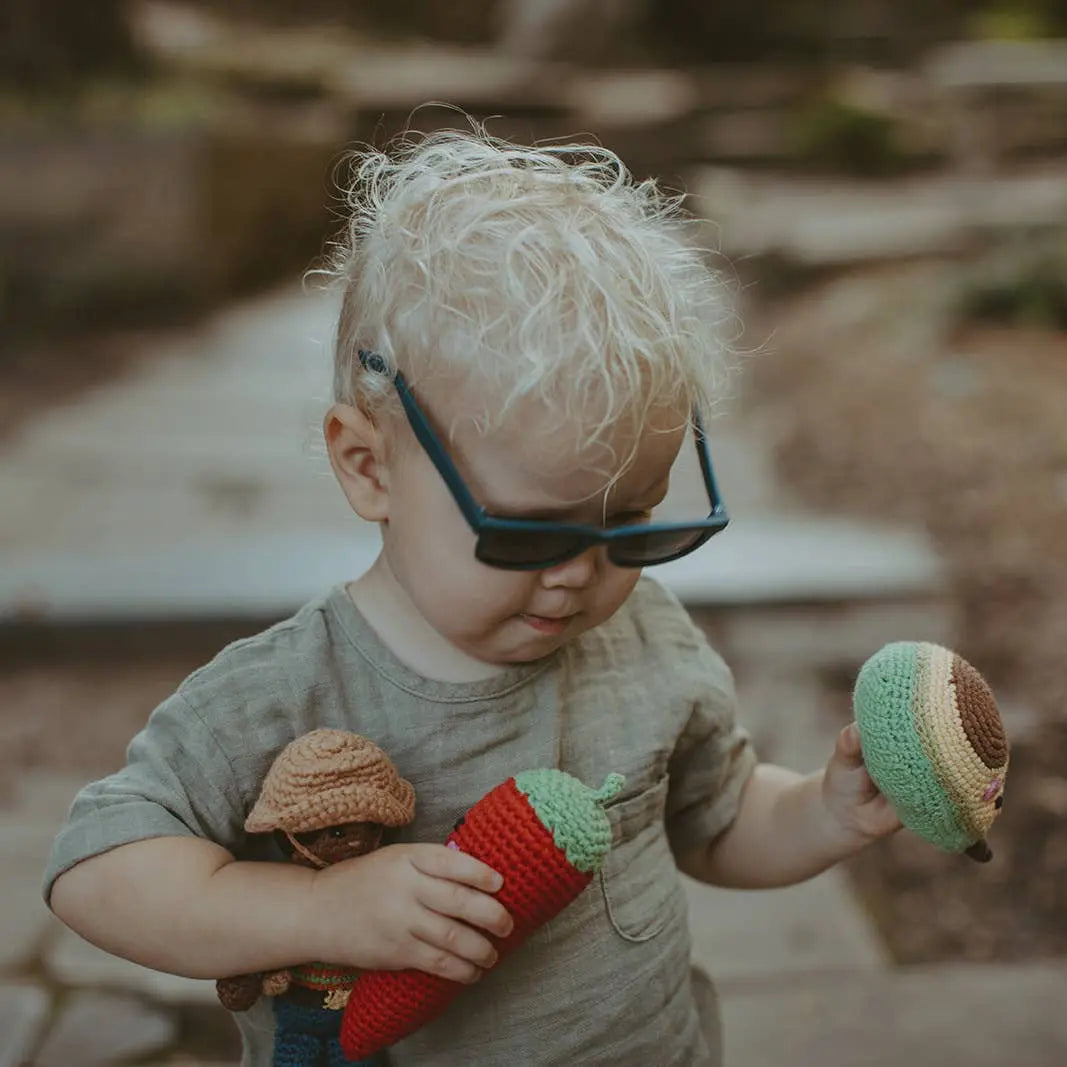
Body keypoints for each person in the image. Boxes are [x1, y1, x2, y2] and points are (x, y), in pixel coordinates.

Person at [44, 124, 901, 1066]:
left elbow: (721, 814)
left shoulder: (644, 636)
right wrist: (318, 907)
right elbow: (96, 873)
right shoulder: (285, 695)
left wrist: (822, 810)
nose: (583, 568)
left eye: (634, 522)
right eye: (533, 528)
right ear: (369, 466)